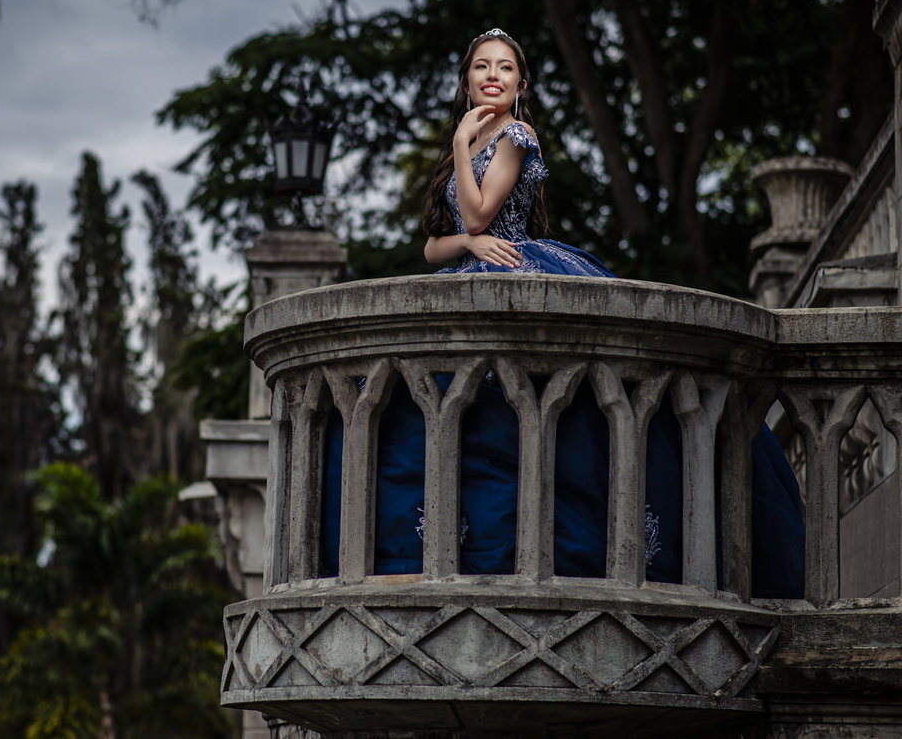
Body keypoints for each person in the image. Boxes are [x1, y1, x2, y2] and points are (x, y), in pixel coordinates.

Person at [320, 29, 805, 599]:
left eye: (504, 68)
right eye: (481, 67)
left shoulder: (516, 136)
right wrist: (469, 245)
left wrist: (460, 162)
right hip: (473, 273)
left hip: (517, 269)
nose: (492, 76)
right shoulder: (473, 142)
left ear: (521, 84)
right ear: (467, 79)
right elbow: (434, 246)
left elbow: (477, 218)